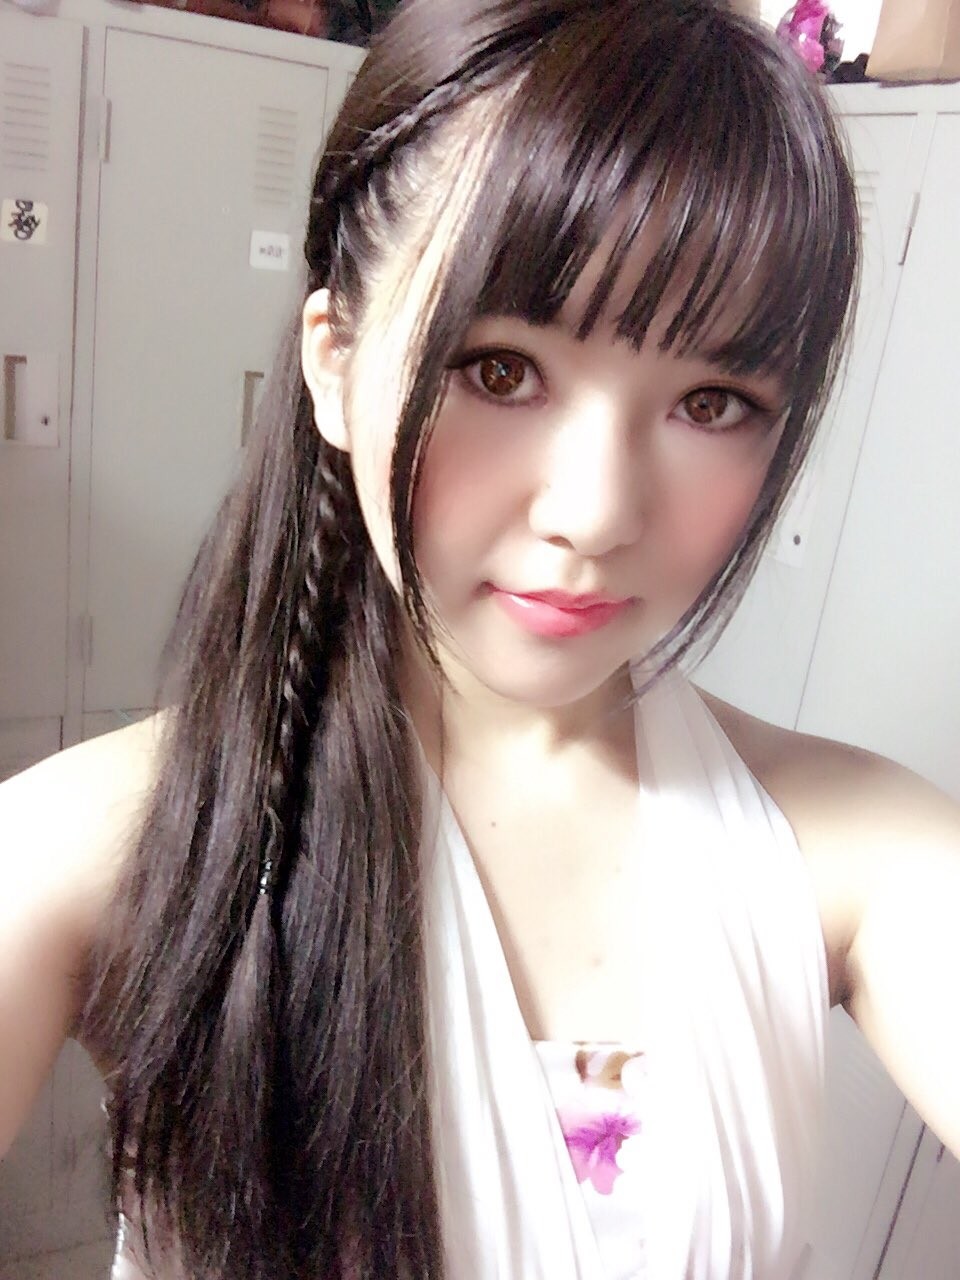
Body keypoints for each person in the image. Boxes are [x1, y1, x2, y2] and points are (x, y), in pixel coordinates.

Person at [2, 0, 958, 1277]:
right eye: (500, 369)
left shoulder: (856, 854)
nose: (598, 512)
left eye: (712, 401)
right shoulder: (96, 852)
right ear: (333, 363)